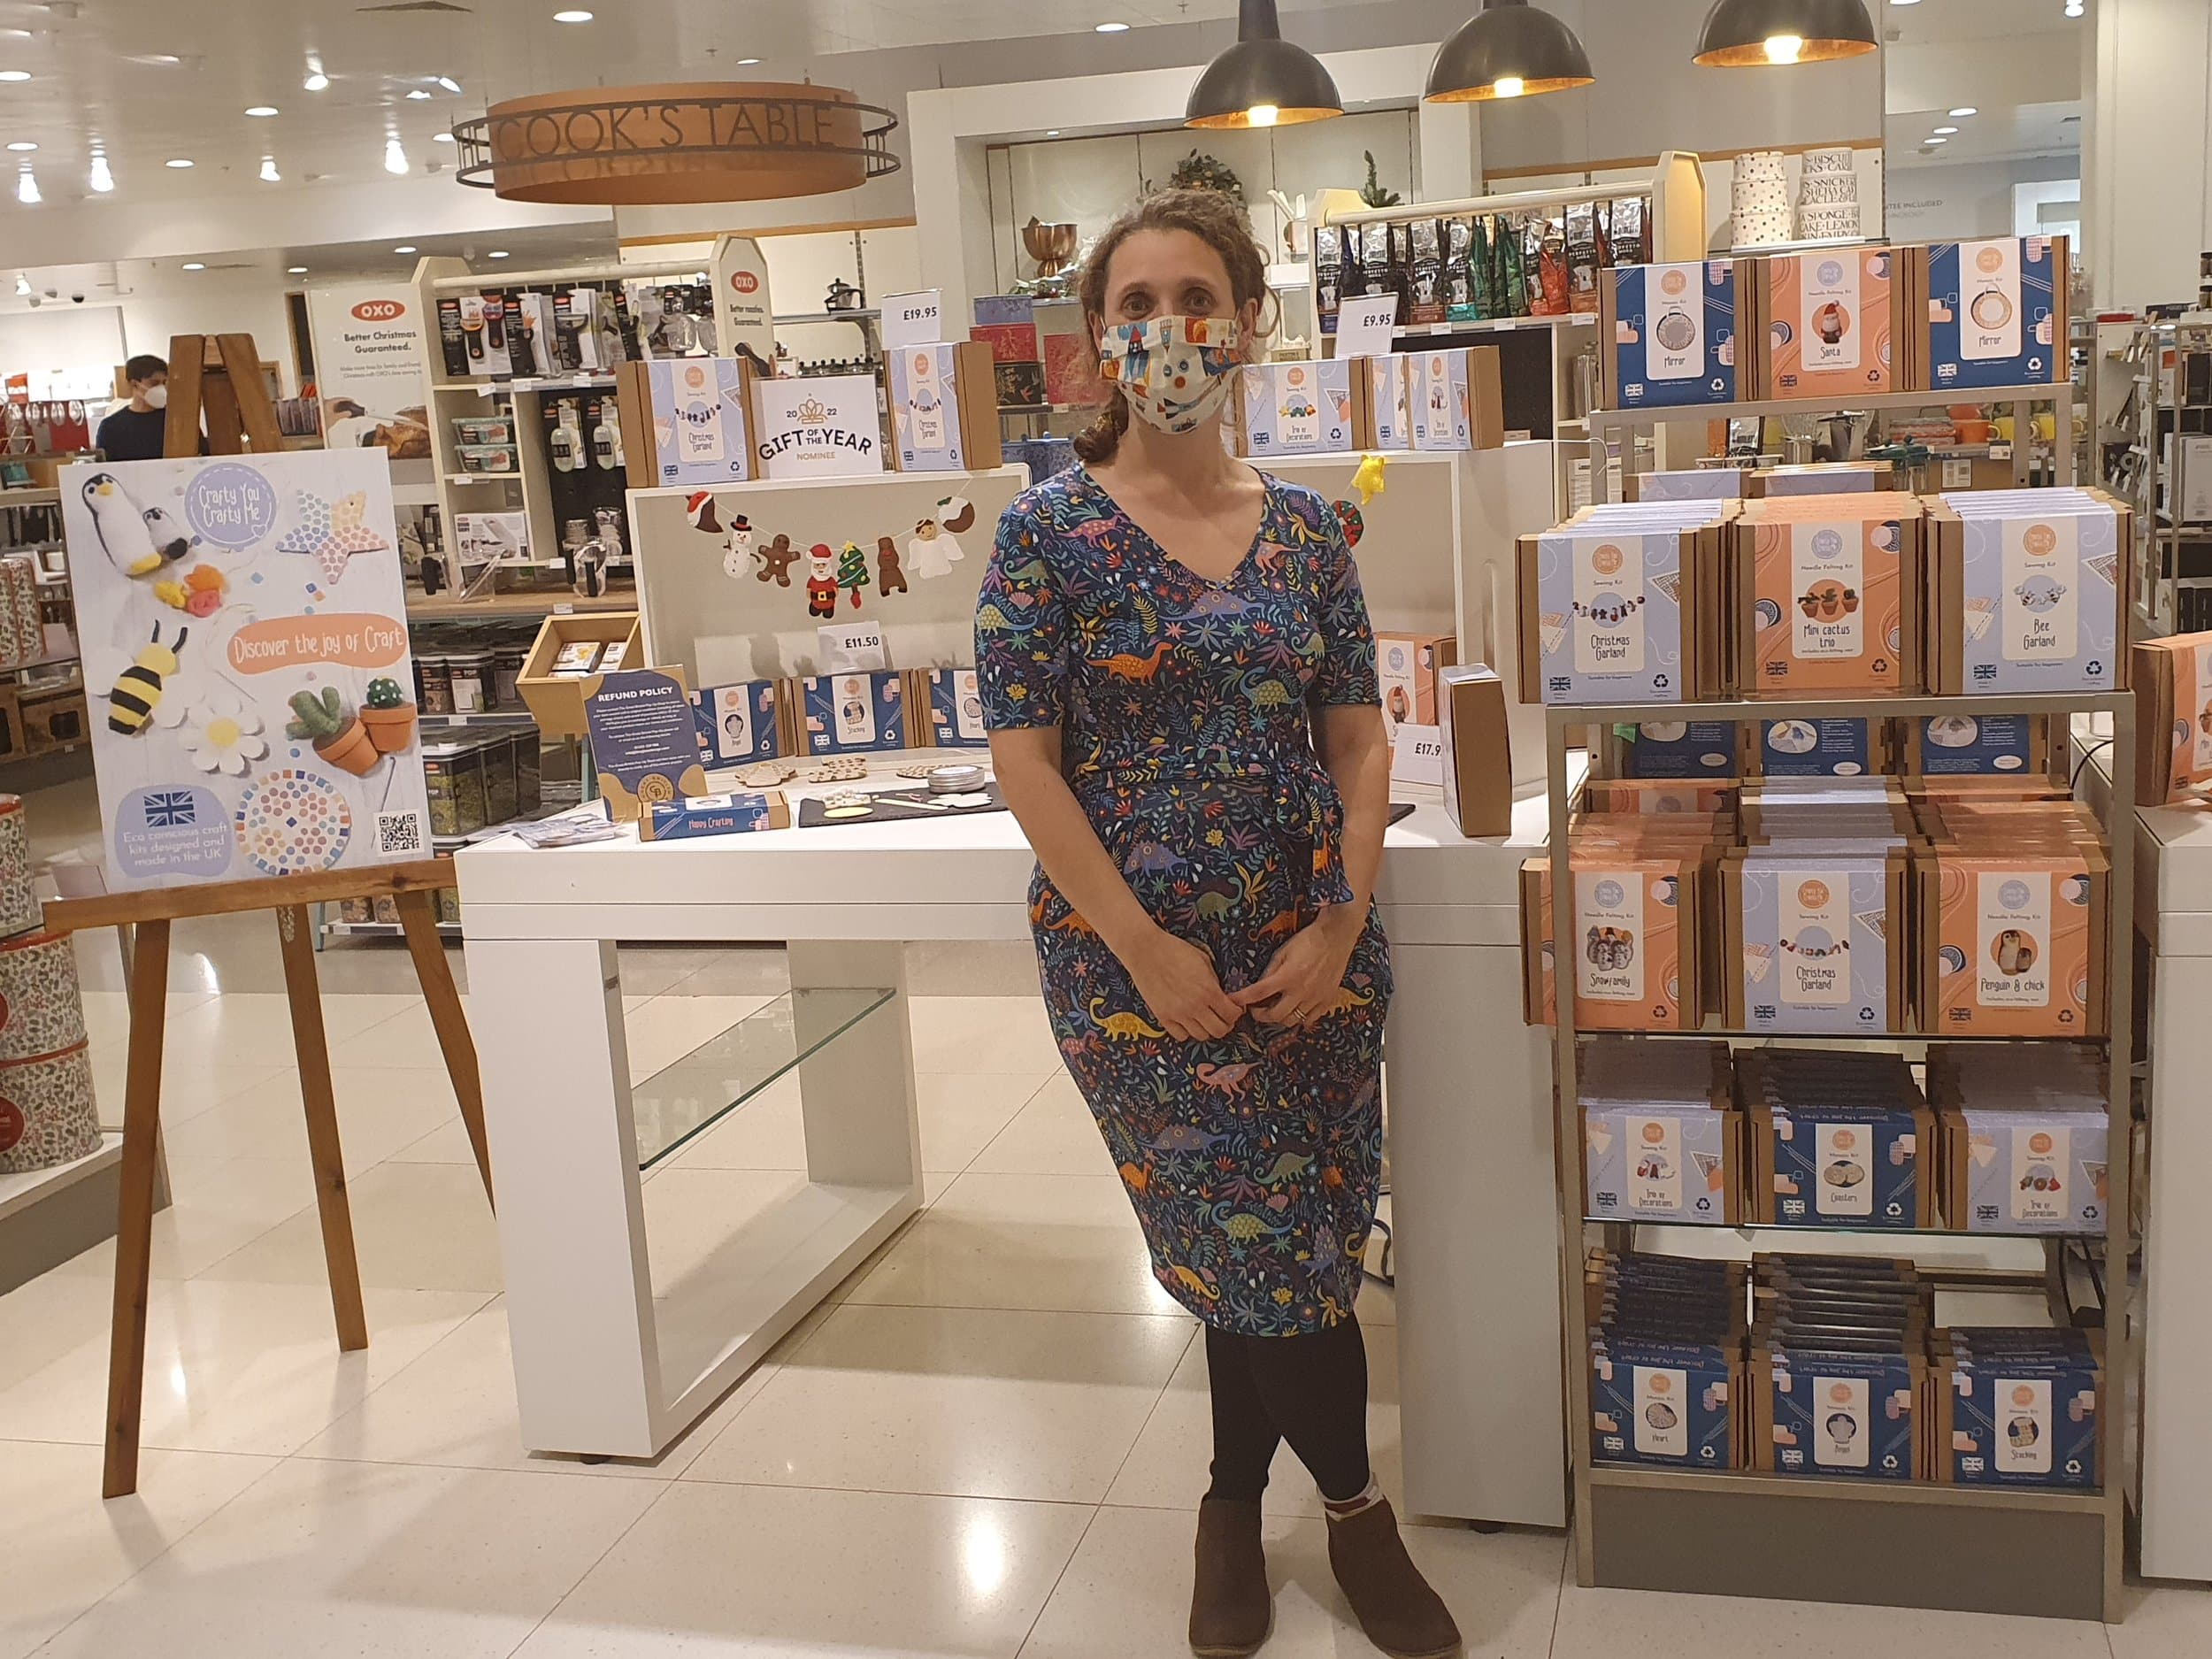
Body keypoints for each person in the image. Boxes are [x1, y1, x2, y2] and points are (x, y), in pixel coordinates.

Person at [975, 188, 1461, 1659]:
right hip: (1138, 976)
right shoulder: (1045, 538)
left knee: (1293, 1244)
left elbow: (1363, 743)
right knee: (1253, 1251)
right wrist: (1141, 944)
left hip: (1312, 957)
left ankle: (1226, 1504)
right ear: (1096, 339)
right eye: (1136, 304)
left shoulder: (1310, 534)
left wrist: (1341, 918)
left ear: (1248, 326)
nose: (1168, 329)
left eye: (1198, 299)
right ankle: (1361, 1517)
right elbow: (1023, 759)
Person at [95, 355, 177, 461]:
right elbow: (104, 469)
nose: (161, 388)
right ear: (134, 384)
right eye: (154, 383)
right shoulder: (110, 428)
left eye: (164, 383)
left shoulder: (176, 422)